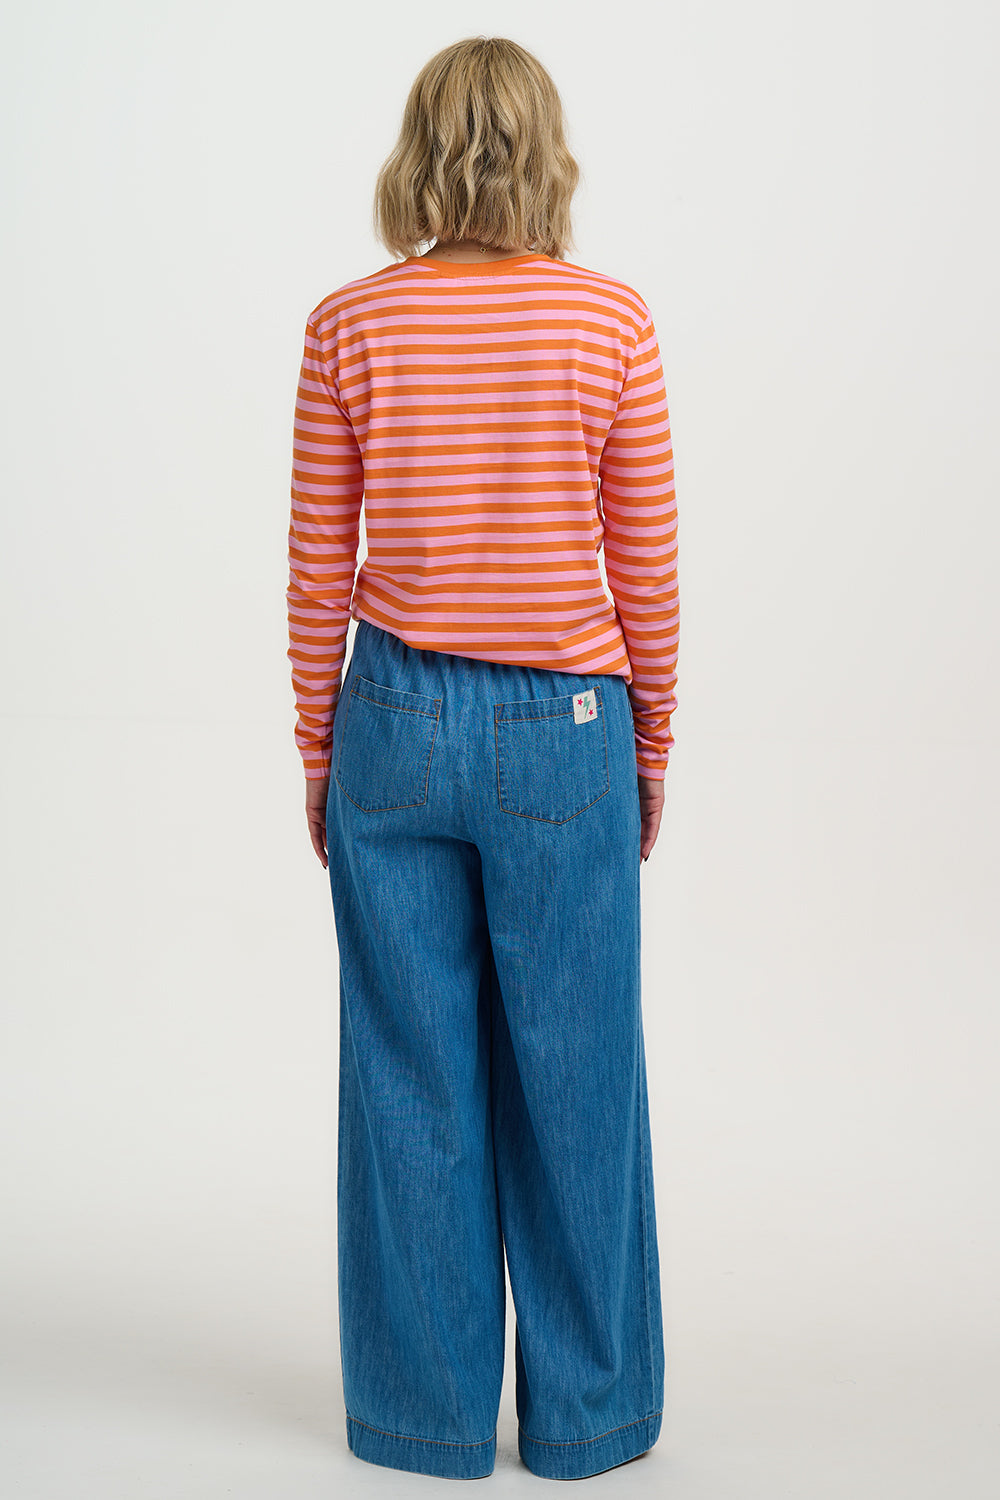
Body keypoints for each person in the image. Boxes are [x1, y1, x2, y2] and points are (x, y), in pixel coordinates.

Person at [285, 35, 680, 1482]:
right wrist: (653, 745)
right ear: (547, 153)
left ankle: (423, 1420)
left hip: (392, 719)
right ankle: (587, 1420)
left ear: (418, 153)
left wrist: (322, 750)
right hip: (563, 730)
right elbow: (644, 560)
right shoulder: (608, 323)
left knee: (409, 1078)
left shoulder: (350, 324)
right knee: (577, 1078)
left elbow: (319, 563)